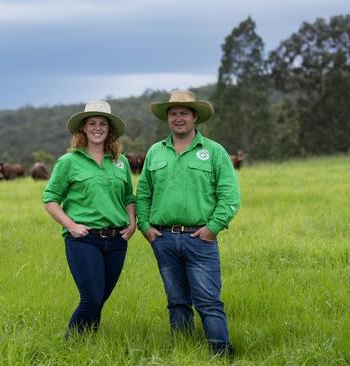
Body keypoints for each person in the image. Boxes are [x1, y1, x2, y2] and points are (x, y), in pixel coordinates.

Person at [136, 90, 240, 355]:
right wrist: (146, 228)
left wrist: (212, 228)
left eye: (184, 113)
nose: (178, 118)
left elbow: (229, 196)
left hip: (200, 239)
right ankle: (183, 353)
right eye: (173, 114)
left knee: (208, 301)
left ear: (195, 117)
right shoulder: (155, 152)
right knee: (176, 302)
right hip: (164, 239)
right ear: (167, 119)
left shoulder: (214, 151)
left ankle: (221, 355)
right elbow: (144, 194)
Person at [42, 100, 136, 337]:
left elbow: (128, 197)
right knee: (91, 299)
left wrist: (132, 221)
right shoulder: (69, 162)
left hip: (116, 242)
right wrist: (71, 225)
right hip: (84, 240)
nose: (97, 128)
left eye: (102, 123)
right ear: (83, 129)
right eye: (92, 123)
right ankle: (68, 347)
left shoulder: (120, 162)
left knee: (99, 299)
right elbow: (50, 199)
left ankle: (87, 345)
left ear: (109, 129)